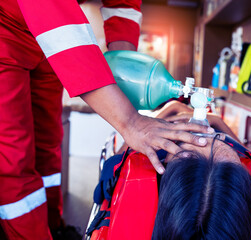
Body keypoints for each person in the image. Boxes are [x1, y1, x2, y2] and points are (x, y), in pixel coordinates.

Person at [0, 1, 211, 240]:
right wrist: (131, 122)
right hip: (6, 30)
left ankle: (53, 225)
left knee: (48, 143)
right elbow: (59, 25)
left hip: (42, 44)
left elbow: (123, 5)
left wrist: (126, 69)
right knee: (13, 158)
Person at [87, 100, 251, 239]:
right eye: (219, 140)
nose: (205, 139)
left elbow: (118, 159)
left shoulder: (131, 168)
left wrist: (168, 112)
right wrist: (218, 124)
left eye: (185, 149)